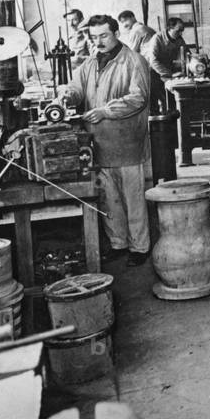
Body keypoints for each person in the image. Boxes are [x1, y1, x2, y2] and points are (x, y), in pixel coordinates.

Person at [59, 15, 152, 265]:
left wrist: (105, 111)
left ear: (116, 34)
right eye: (93, 37)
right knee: (108, 197)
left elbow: (138, 98)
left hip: (127, 142)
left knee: (133, 198)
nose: (98, 41)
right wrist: (68, 96)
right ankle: (118, 244)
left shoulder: (134, 61)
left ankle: (140, 248)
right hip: (98, 143)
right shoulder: (90, 63)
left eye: (103, 35)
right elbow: (77, 88)